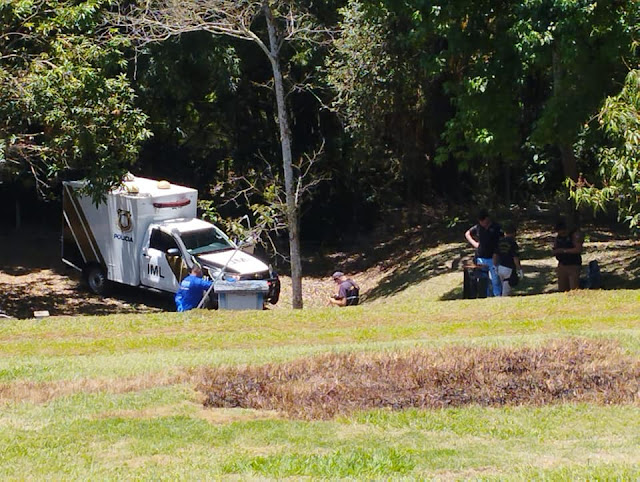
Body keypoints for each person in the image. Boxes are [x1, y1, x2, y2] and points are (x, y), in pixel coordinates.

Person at [464, 209, 503, 297]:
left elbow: (501, 241)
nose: (482, 223)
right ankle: (486, 296)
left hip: (493, 257)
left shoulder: (496, 227)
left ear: (488, 218)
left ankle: (498, 296)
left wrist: (497, 255)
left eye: (483, 221)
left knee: (495, 280)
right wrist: (475, 244)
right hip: (481, 257)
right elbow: (467, 233)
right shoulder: (478, 227)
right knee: (483, 280)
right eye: (480, 221)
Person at [552, 218, 583, 292]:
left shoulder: (574, 235)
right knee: (562, 289)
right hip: (562, 265)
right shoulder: (558, 238)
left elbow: (578, 249)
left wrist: (563, 251)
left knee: (574, 289)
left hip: (573, 265)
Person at [493, 223, 523, 296]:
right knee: (506, 291)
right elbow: (515, 257)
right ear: (514, 233)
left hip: (500, 267)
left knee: (502, 286)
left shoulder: (500, 242)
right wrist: (519, 269)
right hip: (509, 268)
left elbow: (495, 255)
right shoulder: (513, 243)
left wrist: (495, 266)